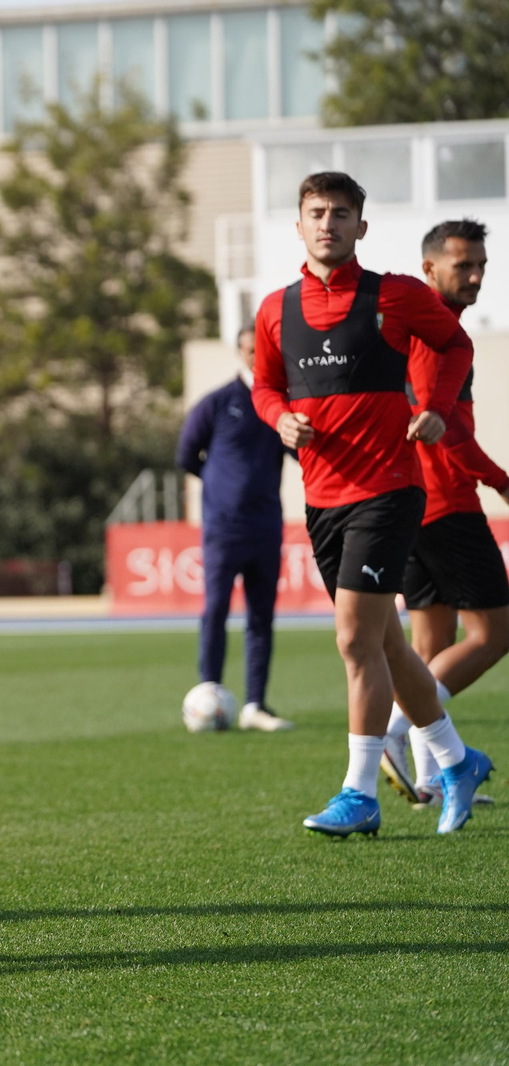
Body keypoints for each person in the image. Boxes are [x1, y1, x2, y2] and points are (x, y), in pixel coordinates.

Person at [252, 171, 493, 838]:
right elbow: (264, 385)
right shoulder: (275, 309)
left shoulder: (396, 296)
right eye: (316, 212)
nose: (328, 223)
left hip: (389, 489)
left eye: (341, 213)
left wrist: (439, 410)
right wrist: (279, 419)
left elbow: (456, 344)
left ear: (362, 226)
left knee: (357, 638)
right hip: (322, 498)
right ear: (298, 225)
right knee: (387, 644)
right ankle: (456, 759)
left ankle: (359, 794)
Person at [382, 219, 508, 807]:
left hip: (410, 504)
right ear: (429, 268)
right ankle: (395, 731)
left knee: (431, 645)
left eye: (481, 262)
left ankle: (433, 776)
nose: (477, 274)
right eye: (464, 265)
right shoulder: (436, 334)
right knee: (495, 633)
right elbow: (445, 427)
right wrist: (502, 482)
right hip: (446, 503)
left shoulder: (422, 329)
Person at [176, 326, 295, 732]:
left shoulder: (281, 406)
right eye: (250, 350)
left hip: (266, 525)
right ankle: (209, 692)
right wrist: (220, 489)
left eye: (263, 351)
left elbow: (303, 451)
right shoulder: (217, 403)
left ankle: (255, 705)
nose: (256, 358)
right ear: (239, 352)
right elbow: (186, 455)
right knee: (216, 610)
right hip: (224, 528)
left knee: (261, 617)